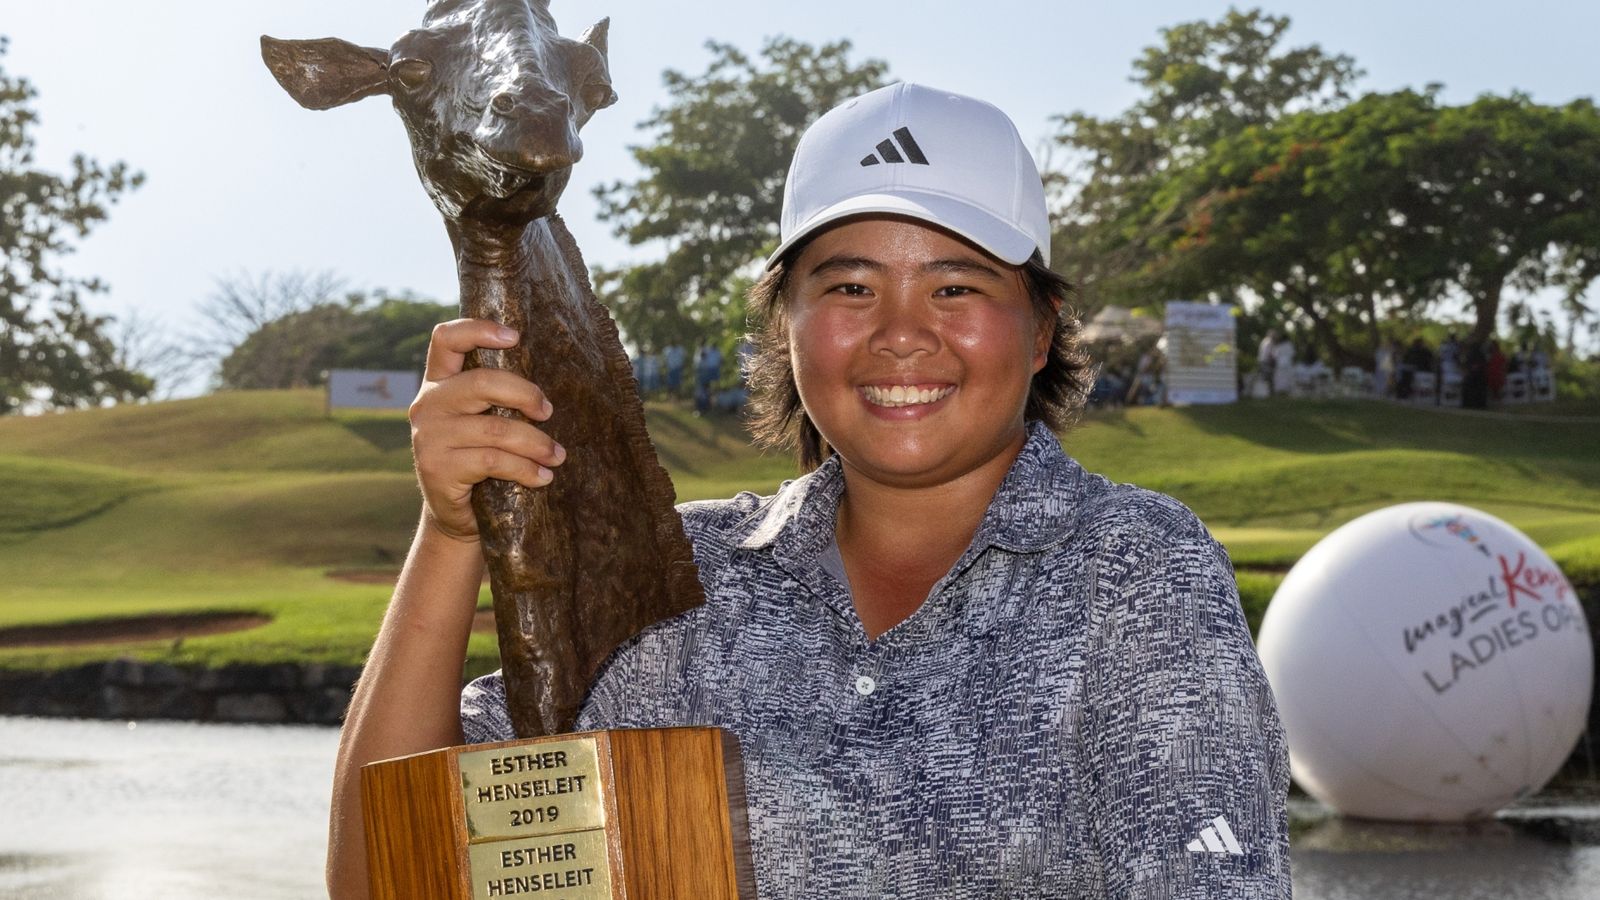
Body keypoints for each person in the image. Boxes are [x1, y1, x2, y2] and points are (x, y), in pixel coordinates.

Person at [326, 83, 1291, 898]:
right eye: (849, 288)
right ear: (786, 326)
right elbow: (391, 876)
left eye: (956, 287)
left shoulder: (1133, 567)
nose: (901, 333)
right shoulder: (675, 577)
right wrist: (453, 534)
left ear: (1040, 332)